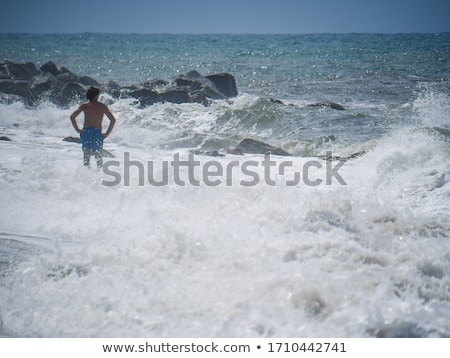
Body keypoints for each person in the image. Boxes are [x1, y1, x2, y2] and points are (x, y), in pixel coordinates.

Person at [70, 86, 116, 168]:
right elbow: (112, 120)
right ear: (95, 96)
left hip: (86, 131)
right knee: (98, 154)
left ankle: (87, 172)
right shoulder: (102, 106)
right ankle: (99, 172)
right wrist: (107, 133)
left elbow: (72, 117)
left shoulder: (84, 106)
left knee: (86, 154)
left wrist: (77, 129)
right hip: (97, 132)